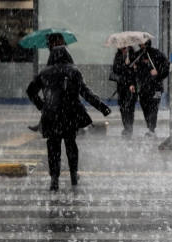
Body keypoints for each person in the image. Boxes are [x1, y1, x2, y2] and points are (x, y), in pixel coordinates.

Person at [26, 45, 112, 191]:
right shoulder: (74, 71)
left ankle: (54, 178)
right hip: (70, 114)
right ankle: (73, 174)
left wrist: (42, 105)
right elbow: (86, 93)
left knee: (53, 146)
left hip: (51, 114)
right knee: (71, 144)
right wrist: (102, 107)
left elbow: (30, 91)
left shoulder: (45, 73)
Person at [132, 38, 169, 136]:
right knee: (145, 106)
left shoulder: (157, 54)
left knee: (153, 107)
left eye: (144, 43)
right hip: (143, 87)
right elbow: (133, 72)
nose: (142, 45)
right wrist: (135, 68)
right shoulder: (137, 55)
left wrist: (158, 72)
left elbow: (166, 68)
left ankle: (151, 128)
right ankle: (149, 125)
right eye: (140, 44)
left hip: (156, 87)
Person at [110, 46, 137, 136]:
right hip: (121, 86)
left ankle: (129, 127)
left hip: (132, 87)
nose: (123, 50)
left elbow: (136, 73)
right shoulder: (118, 57)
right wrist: (124, 65)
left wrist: (133, 67)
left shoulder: (134, 56)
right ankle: (126, 127)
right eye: (122, 48)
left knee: (129, 108)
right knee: (123, 108)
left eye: (125, 48)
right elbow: (116, 70)